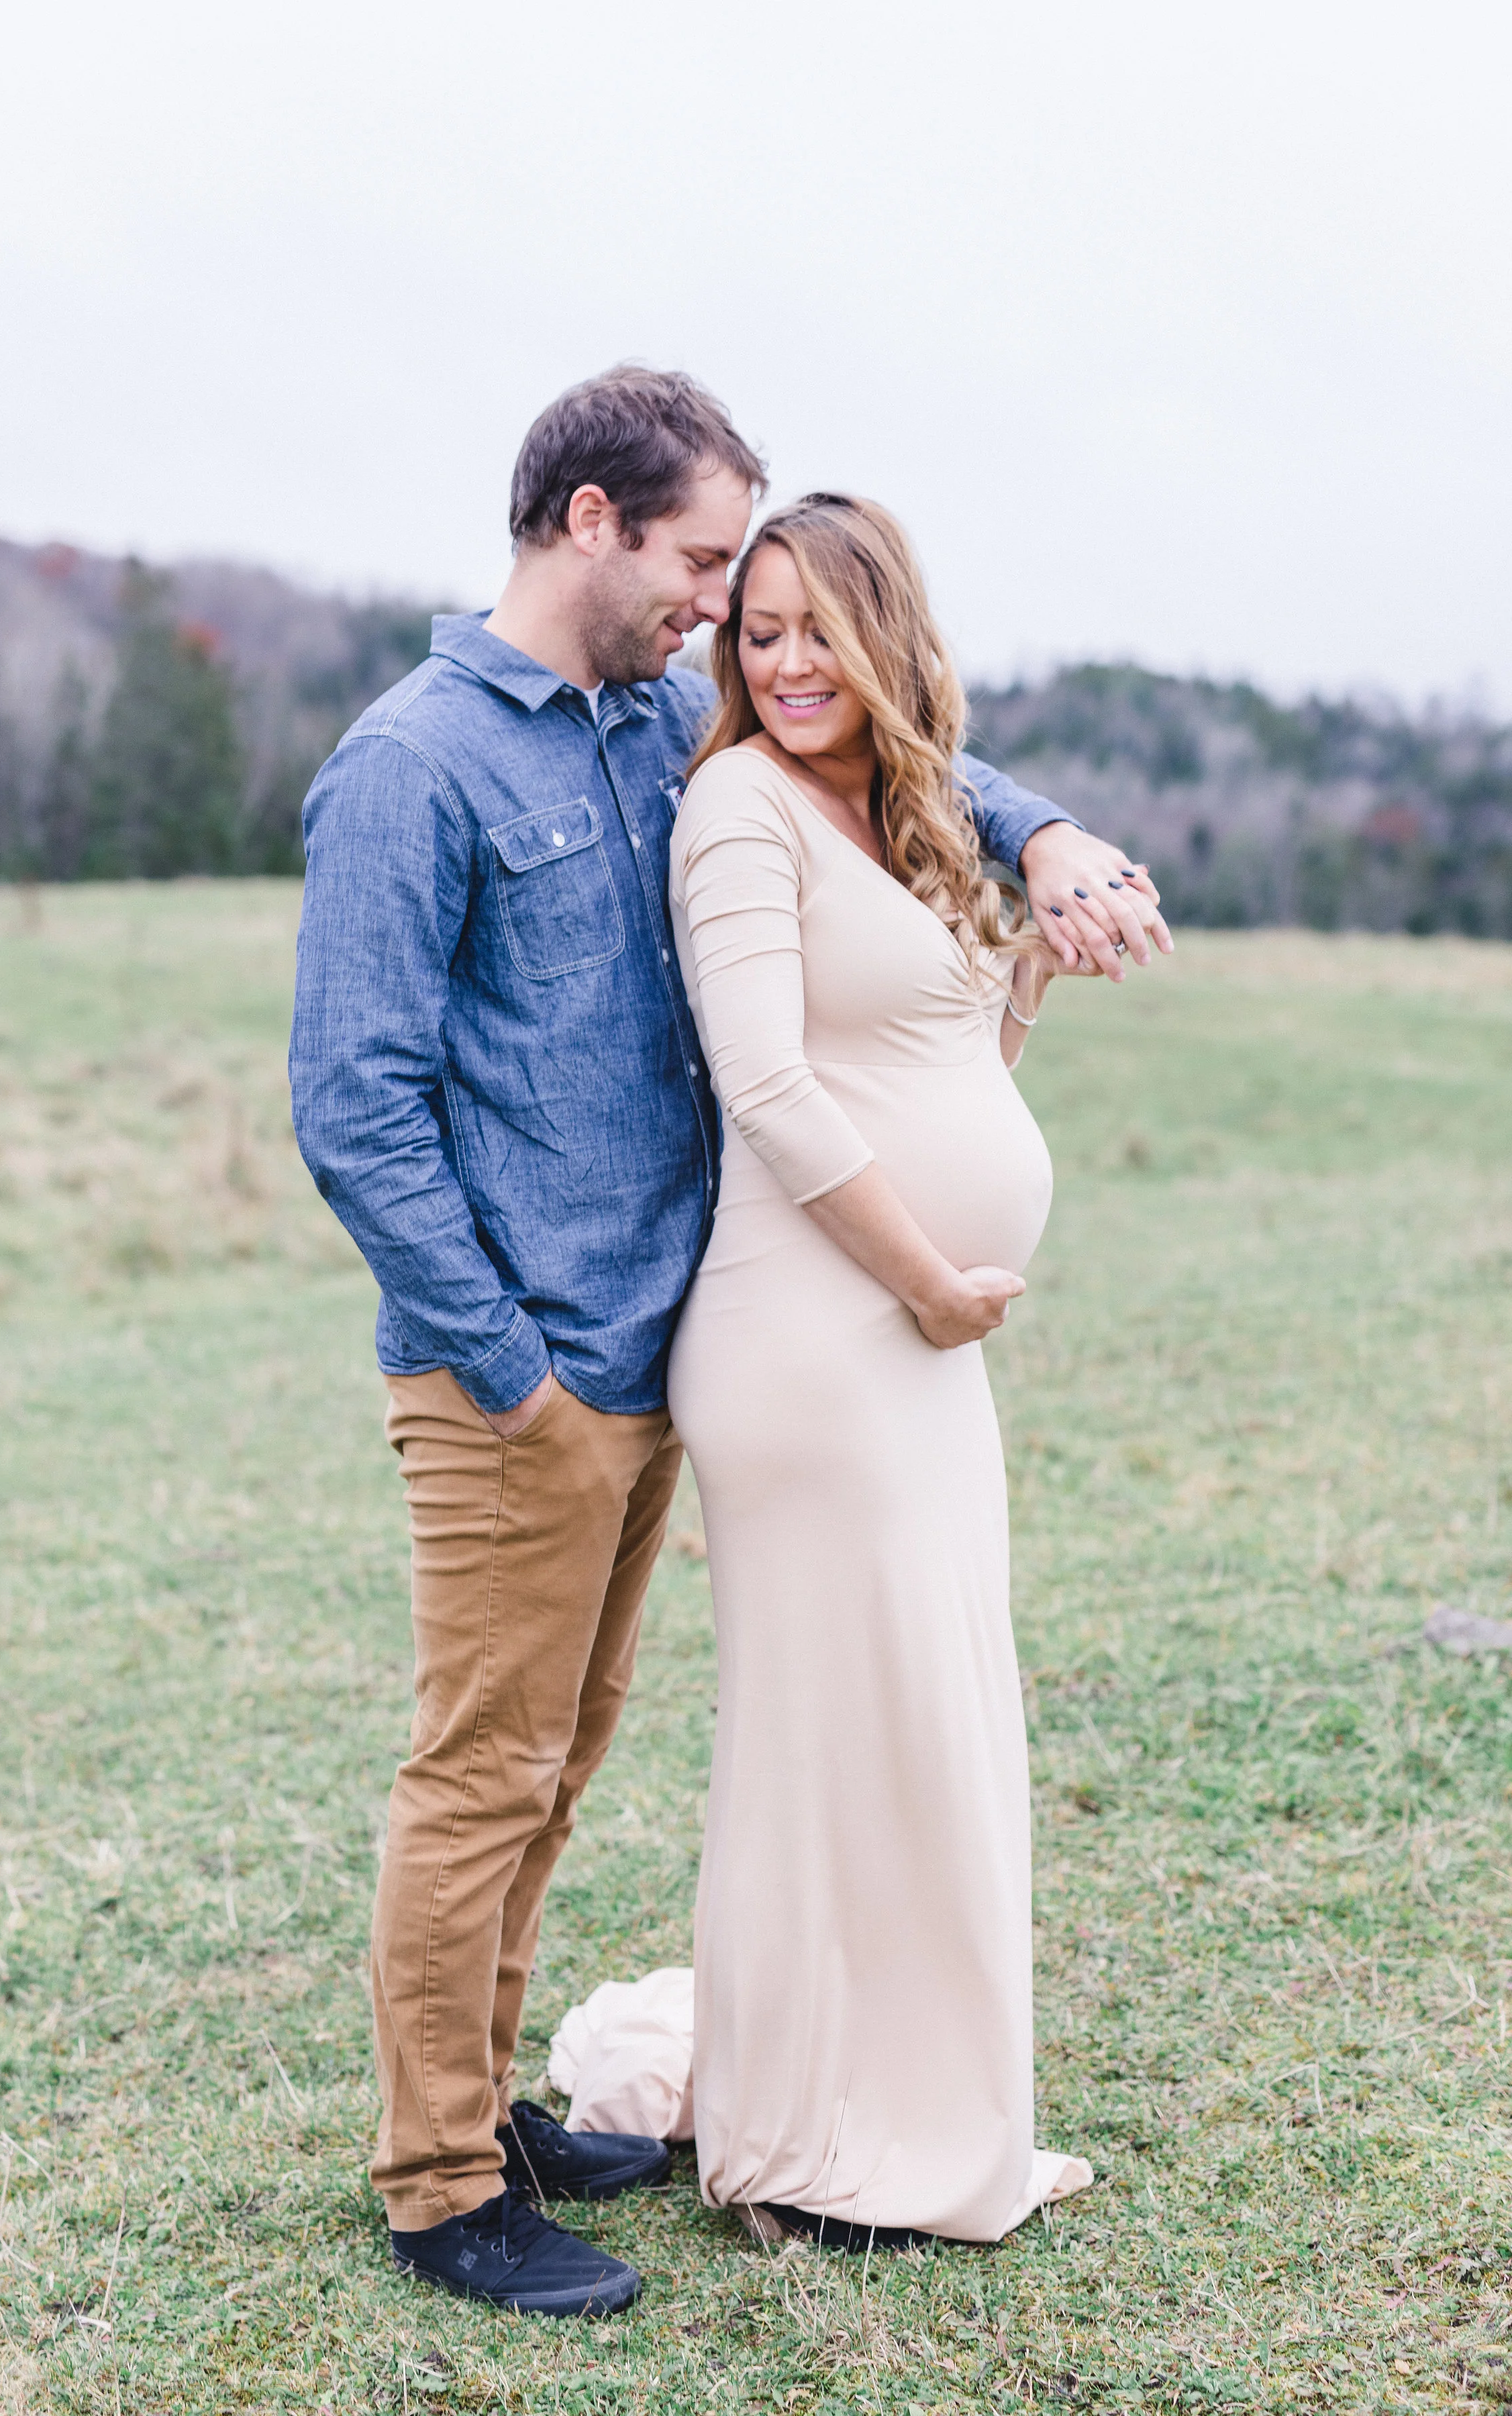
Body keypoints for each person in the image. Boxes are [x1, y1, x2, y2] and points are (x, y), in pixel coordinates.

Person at [288, 368, 1170, 2319]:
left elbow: (877, 742)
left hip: (651, 1347)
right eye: (699, 564)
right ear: (589, 522)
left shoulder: (632, 728)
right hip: (519, 1372)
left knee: (558, 1764)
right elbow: (354, 1104)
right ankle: (441, 2185)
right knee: (482, 1771)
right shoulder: (414, 765)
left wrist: (1047, 834)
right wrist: (510, 1373)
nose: (716, 607)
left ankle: (496, 2109)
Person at [664, 493, 1097, 2244]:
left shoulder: (898, 811)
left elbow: (950, 1065)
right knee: (835, 1745)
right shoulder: (736, 807)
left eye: (816, 633)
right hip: (815, 1340)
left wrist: (1036, 964)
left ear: (886, 640)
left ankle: (919, 2111)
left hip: (913, 1341)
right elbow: (768, 1087)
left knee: (929, 1729)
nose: (784, 664)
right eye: (756, 631)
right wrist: (930, 1284)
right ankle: (801, 2142)